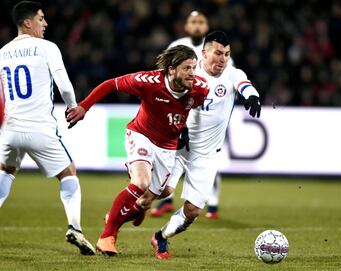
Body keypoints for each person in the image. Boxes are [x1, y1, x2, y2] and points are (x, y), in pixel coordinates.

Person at [65, 45, 209, 256]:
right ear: (171, 69)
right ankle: (107, 236)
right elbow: (111, 84)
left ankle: (120, 214)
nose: (192, 74)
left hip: (167, 147)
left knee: (160, 194)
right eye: (187, 68)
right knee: (141, 183)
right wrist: (84, 106)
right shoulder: (148, 82)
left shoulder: (200, 88)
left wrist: (184, 129)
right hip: (141, 134)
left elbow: (189, 110)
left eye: (194, 68)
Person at [150, 31, 261, 259]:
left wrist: (252, 96)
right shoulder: (190, 73)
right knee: (163, 191)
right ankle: (118, 218)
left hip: (208, 156)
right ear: (204, 53)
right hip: (180, 147)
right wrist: (179, 129)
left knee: (192, 211)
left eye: (227, 54)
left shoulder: (232, 74)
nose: (222, 59)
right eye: (218, 53)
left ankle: (161, 237)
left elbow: (244, 84)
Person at [0, 1, 95, 255]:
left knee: (6, 171)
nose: (45, 24)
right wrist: (74, 105)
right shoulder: (46, 47)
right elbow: (63, 83)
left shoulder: (2, 52)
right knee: (68, 173)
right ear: (28, 22)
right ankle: (75, 228)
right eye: (41, 19)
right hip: (40, 128)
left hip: (9, 129)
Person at [150, 10, 222, 220]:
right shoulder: (178, 45)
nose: (197, 25)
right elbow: (166, 76)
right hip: (183, 109)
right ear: (187, 26)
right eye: (193, 22)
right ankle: (166, 201)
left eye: (201, 21)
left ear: (206, 26)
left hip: (209, 112)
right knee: (172, 157)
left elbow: (226, 77)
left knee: (210, 158)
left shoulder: (215, 48)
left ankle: (213, 205)